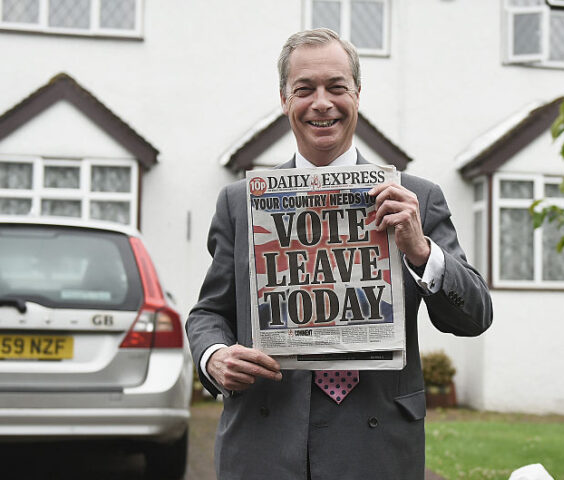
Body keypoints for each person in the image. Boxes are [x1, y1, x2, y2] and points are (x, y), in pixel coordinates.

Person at [186, 28, 492, 480]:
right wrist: (214, 356)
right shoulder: (241, 202)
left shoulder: (416, 199)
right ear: (285, 100)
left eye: (336, 87)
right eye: (304, 89)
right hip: (264, 447)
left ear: (358, 94)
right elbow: (208, 312)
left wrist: (419, 249)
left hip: (377, 449)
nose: (322, 103)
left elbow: (475, 316)